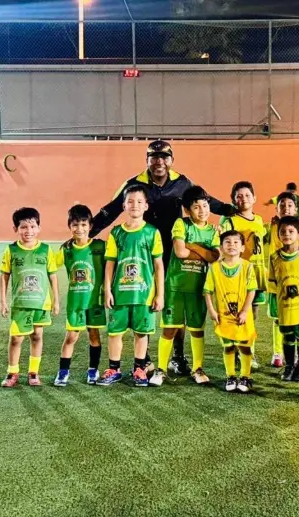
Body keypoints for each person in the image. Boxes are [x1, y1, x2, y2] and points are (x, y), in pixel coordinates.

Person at [91, 140, 234, 376]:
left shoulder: (182, 182)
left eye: (164, 157)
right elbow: (111, 210)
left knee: (175, 305)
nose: (159, 162)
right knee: (144, 303)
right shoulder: (133, 184)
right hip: (143, 256)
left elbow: (206, 200)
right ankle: (144, 360)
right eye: (154, 157)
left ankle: (178, 356)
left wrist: (232, 210)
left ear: (171, 160)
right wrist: (88, 232)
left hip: (176, 252)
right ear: (147, 160)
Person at [151, 186, 220, 387]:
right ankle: (161, 369)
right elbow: (180, 252)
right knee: (170, 329)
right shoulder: (181, 224)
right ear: (187, 210)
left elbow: (215, 257)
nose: (202, 210)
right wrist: (203, 251)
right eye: (196, 207)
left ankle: (198, 368)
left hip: (198, 288)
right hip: (175, 287)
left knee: (197, 330)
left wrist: (192, 246)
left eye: (205, 206)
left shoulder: (213, 231)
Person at [98, 185, 165, 387]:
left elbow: (158, 265)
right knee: (114, 332)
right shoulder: (116, 233)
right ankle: (114, 368)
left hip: (143, 294)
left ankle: (139, 368)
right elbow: (110, 264)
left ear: (146, 206)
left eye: (139, 201)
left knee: (141, 333)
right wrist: (107, 290)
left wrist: (160, 294)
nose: (135, 205)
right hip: (120, 293)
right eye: (130, 201)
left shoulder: (152, 232)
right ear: (124, 206)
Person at [0, 207, 59, 388]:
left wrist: (56, 300)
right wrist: (3, 301)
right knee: (16, 338)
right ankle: (12, 372)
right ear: (16, 229)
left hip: (41, 303)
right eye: (23, 227)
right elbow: (4, 275)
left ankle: (33, 372)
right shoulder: (11, 250)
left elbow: (52, 275)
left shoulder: (46, 250)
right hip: (21, 303)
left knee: (37, 336)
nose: (29, 231)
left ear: (39, 228)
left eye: (33, 226)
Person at [264, 191, 299, 367]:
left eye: (290, 205)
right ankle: (277, 353)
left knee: (298, 321)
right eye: (282, 205)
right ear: (276, 209)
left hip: (297, 285)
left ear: (296, 209)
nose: (286, 208)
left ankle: (296, 354)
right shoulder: (270, 227)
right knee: (278, 319)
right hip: (276, 285)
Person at [53, 204, 106, 387]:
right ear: (69, 226)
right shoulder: (66, 250)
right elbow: (50, 265)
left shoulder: (100, 246)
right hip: (75, 302)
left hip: (95, 301)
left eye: (84, 224)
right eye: (75, 225)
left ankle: (93, 369)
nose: (79, 229)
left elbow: (113, 264)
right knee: (71, 337)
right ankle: (63, 371)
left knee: (94, 335)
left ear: (90, 226)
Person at [220, 181, 267, 369]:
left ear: (254, 198)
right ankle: (235, 350)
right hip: (239, 274)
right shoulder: (230, 221)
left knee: (251, 315)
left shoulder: (259, 220)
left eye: (247, 195)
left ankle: (248, 350)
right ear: (233, 200)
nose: (243, 199)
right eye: (239, 196)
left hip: (257, 274)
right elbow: (223, 246)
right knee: (236, 314)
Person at [204, 230, 257, 393]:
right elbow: (207, 291)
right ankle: (231, 376)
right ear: (221, 247)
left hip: (243, 316)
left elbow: (251, 290)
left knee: (244, 346)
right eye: (227, 242)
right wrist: (211, 310)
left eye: (236, 242)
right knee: (228, 347)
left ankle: (245, 376)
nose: (231, 245)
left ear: (242, 248)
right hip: (223, 316)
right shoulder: (214, 268)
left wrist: (245, 311)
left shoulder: (247, 266)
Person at [268, 216, 299, 382]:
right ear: (278, 235)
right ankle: (289, 366)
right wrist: (274, 306)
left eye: (291, 231)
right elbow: (273, 283)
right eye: (283, 232)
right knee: (288, 337)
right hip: (284, 306)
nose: (287, 234)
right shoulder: (274, 257)